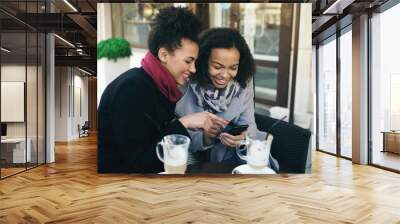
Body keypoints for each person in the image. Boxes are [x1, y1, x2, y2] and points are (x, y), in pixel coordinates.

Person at [98, 7, 227, 173]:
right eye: (188, 61)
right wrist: (185, 122)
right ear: (164, 55)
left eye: (194, 62)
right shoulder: (131, 89)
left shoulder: (162, 87)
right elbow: (141, 163)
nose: (193, 69)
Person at [175, 28, 279, 170]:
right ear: (203, 61)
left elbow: (249, 123)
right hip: (195, 156)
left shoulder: (243, 82)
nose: (225, 75)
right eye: (217, 67)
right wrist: (206, 137)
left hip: (233, 156)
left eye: (233, 68)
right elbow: (177, 133)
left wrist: (243, 138)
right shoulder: (185, 83)